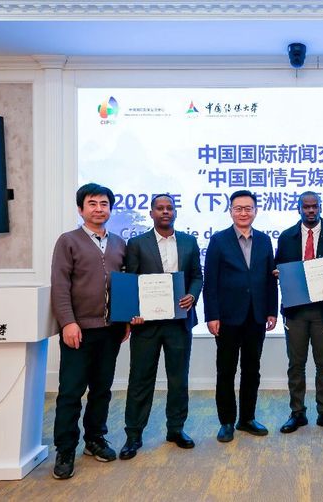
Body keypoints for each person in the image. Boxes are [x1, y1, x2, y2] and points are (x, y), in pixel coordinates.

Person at [50, 183, 127, 479]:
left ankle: (95, 439)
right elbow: (60, 285)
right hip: (78, 330)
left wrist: (125, 319)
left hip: (111, 330)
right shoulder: (68, 241)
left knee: (101, 389)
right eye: (92, 203)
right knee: (71, 391)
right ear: (81, 209)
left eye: (104, 204)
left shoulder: (119, 243)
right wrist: (67, 322)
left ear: (110, 209)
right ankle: (65, 449)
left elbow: (124, 285)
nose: (99, 209)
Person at [118, 194, 203, 460]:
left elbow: (197, 276)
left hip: (179, 322)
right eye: (160, 208)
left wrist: (192, 295)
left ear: (175, 212)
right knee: (140, 380)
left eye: (169, 208)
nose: (165, 212)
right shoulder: (136, 243)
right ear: (152, 213)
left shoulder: (189, 242)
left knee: (178, 379)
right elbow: (130, 281)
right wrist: (132, 313)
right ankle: (133, 435)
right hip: (147, 325)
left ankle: (176, 429)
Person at [203, 190, 278, 443]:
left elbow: (270, 279)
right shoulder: (218, 240)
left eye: (248, 208)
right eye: (238, 208)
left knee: (252, 370)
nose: (243, 213)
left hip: (256, 316)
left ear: (256, 211)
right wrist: (212, 315)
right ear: (231, 211)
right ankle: (226, 421)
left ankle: (246, 418)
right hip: (227, 317)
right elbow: (210, 281)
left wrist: (271, 310)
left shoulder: (265, 240)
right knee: (226, 371)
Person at [274, 191, 323, 435]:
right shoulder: (286, 237)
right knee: (296, 364)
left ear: (320, 207)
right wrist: (278, 273)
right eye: (306, 207)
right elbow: (277, 266)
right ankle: (297, 413)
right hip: (295, 311)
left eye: (314, 206)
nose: (310, 210)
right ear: (299, 208)